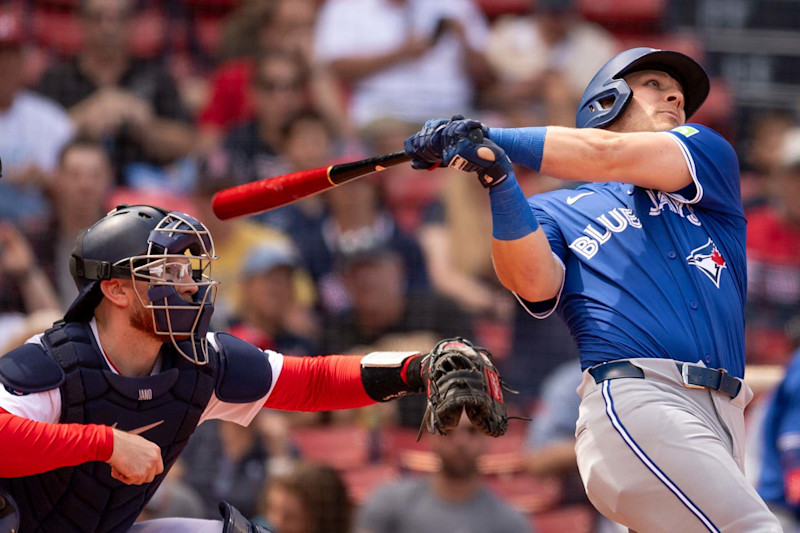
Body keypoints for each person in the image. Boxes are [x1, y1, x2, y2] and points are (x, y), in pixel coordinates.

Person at [404, 47, 782, 531]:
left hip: (723, 419)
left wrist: (488, 136)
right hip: (639, 402)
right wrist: (498, 178)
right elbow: (533, 285)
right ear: (607, 101)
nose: (674, 96)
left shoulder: (707, 158)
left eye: (680, 95)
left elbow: (603, 153)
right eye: (652, 84)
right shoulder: (556, 209)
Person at [0, 204, 461, 532]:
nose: (190, 287)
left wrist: (417, 372)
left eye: (190, 271)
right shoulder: (51, 362)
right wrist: (104, 443)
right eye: (169, 272)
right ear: (117, 290)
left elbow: (313, 381)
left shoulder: (202, 361)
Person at [36, 0, 195, 185]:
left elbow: (189, 143)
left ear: (133, 22)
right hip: (78, 192)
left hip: (143, 196)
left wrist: (147, 127)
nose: (108, 27)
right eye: (98, 17)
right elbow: (33, 144)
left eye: (119, 17)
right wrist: (80, 121)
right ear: (81, 21)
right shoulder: (56, 79)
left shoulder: (156, 76)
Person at [357, 412, 531, 533]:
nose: (460, 442)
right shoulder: (389, 503)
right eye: (448, 429)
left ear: (487, 437)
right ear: (431, 435)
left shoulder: (510, 523)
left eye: (471, 431)